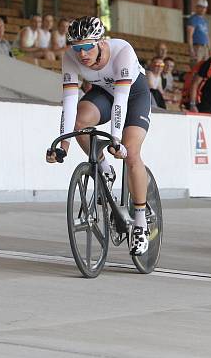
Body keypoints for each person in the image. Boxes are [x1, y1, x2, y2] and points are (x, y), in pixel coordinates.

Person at [45, 16, 152, 256]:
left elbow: (121, 101)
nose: (82, 54)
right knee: (80, 122)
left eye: (87, 47)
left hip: (134, 95)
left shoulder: (122, 50)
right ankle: (104, 168)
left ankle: (140, 222)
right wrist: (64, 144)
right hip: (104, 94)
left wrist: (116, 139)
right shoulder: (71, 58)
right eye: (76, 47)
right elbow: (69, 104)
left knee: (131, 152)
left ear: (101, 42)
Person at [186, 0, 210, 65]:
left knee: (205, 68)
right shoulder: (193, 19)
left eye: (204, 7)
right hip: (197, 47)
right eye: (201, 7)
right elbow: (189, 35)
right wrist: (191, 49)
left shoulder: (204, 20)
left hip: (205, 47)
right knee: (196, 67)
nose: (203, 9)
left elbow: (206, 35)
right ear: (196, 7)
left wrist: (209, 48)